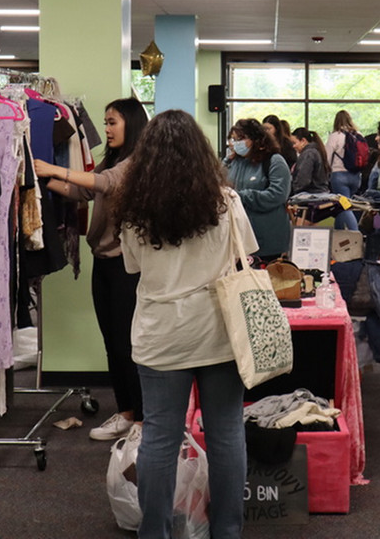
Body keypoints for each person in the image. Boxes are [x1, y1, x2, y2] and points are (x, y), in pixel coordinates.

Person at [115, 109, 255, 539]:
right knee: (226, 431)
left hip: (161, 334)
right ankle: (227, 531)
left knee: (159, 437)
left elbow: (133, 267)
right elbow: (244, 251)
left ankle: (154, 532)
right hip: (218, 329)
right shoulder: (225, 201)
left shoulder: (135, 207)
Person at [34, 97, 149, 441]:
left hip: (128, 267)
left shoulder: (135, 163)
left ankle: (143, 419)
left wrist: (53, 168)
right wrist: (38, 179)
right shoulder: (111, 160)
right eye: (106, 122)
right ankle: (126, 412)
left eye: (113, 122)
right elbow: (82, 192)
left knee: (129, 345)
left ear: (131, 123)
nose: (108, 129)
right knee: (113, 342)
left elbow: (106, 184)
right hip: (104, 263)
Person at [224, 118, 291, 263]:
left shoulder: (274, 161)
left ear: (256, 139)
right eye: (234, 139)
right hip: (239, 239)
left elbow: (278, 195)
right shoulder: (234, 162)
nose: (236, 143)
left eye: (241, 139)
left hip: (268, 239)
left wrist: (241, 196)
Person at [326, 110, 363, 230]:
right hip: (356, 176)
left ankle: (356, 236)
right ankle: (339, 237)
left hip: (339, 176)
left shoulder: (335, 136)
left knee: (345, 206)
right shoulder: (358, 135)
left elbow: (327, 157)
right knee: (342, 206)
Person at [289, 127, 330, 195]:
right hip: (321, 193)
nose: (293, 146)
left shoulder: (308, 154)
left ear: (303, 141)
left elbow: (303, 179)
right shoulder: (317, 151)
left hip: (311, 194)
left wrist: (292, 190)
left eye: (294, 143)